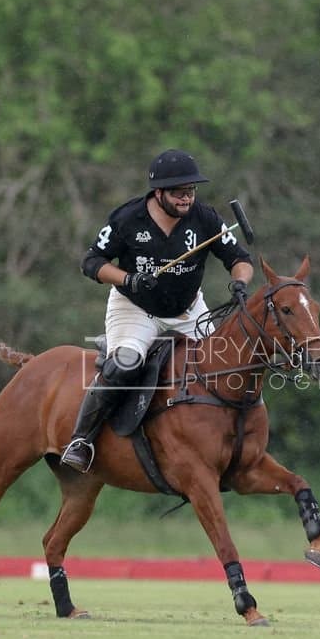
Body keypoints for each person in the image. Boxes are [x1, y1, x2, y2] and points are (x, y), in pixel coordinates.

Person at [60, 149, 254, 472]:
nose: (186, 198)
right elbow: (91, 262)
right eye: (179, 192)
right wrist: (129, 279)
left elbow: (240, 260)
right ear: (159, 192)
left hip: (189, 310)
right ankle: (81, 440)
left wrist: (240, 284)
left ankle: (235, 440)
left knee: (228, 366)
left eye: (191, 191)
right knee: (126, 364)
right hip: (136, 308)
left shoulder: (205, 219)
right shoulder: (128, 219)